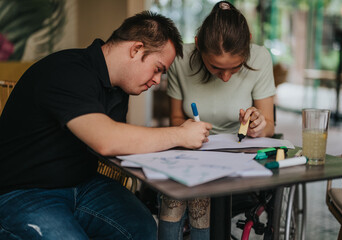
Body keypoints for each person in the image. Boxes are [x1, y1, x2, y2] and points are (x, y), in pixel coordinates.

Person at [0, 11, 212, 240]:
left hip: (83, 185)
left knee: (145, 228)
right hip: (23, 192)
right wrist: (179, 135)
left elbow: (121, 143)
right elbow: (107, 140)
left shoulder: (118, 89)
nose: (156, 80)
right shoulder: (67, 71)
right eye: (158, 68)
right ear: (136, 49)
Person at [158, 1, 276, 239]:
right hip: (191, 151)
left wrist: (256, 126)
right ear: (198, 44)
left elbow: (269, 126)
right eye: (215, 67)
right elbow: (177, 119)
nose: (225, 77)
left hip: (240, 154)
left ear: (248, 44)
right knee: (178, 194)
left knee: (196, 194)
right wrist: (187, 132)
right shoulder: (180, 61)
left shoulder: (261, 58)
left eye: (235, 68)